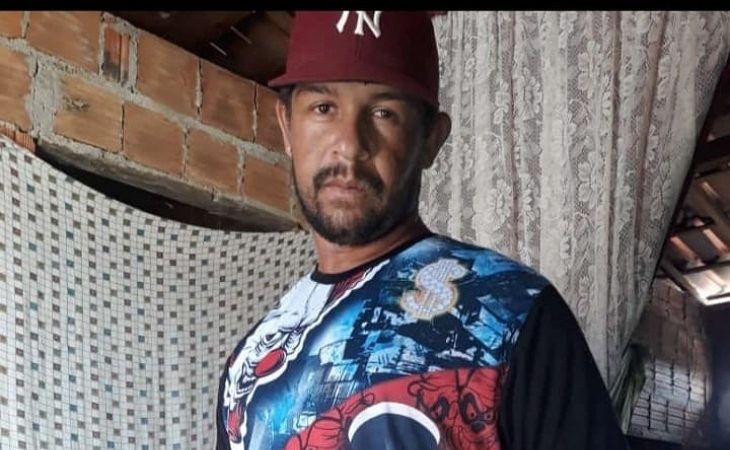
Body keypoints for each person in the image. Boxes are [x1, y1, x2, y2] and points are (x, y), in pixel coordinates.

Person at [216, 11, 629, 450]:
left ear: (431, 138)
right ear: (286, 126)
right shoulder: (250, 365)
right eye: (323, 108)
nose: (349, 145)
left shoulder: (515, 314)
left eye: (383, 112)